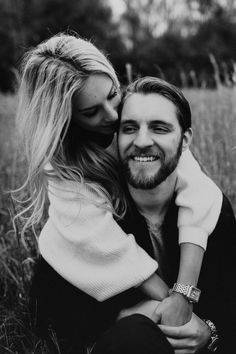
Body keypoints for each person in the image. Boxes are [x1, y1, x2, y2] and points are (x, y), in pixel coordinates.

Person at [14, 32, 221, 352]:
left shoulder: (142, 119)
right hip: (79, 281)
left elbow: (199, 192)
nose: (112, 116)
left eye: (112, 94)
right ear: (64, 118)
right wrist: (172, 307)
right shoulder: (63, 167)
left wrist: (184, 295)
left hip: (147, 274)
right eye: (90, 111)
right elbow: (112, 250)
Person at [115, 76, 236, 354]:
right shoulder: (97, 213)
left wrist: (209, 333)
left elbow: (230, 302)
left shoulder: (213, 210)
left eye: (159, 128)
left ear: (184, 140)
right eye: (129, 128)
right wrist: (121, 318)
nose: (142, 141)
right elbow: (52, 311)